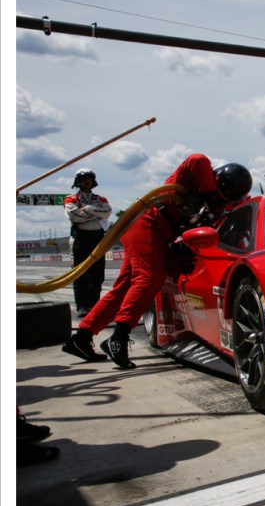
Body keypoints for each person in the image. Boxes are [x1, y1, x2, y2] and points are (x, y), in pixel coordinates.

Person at [62, 155, 252, 369]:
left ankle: (81, 337)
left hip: (159, 234)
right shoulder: (193, 178)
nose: (219, 200)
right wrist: (208, 192)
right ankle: (119, 338)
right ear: (216, 181)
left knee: (123, 289)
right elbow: (197, 160)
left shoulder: (222, 206)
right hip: (147, 224)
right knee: (149, 277)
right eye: (219, 194)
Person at [64, 168, 113, 316]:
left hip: (98, 238)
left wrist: (89, 210)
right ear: (77, 182)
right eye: (83, 179)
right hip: (81, 238)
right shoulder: (70, 198)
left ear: (93, 181)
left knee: (98, 275)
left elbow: (107, 213)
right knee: (80, 274)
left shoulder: (101, 199)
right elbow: (74, 216)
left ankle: (95, 306)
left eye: (89, 179)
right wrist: (97, 214)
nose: (87, 181)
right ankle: (82, 306)